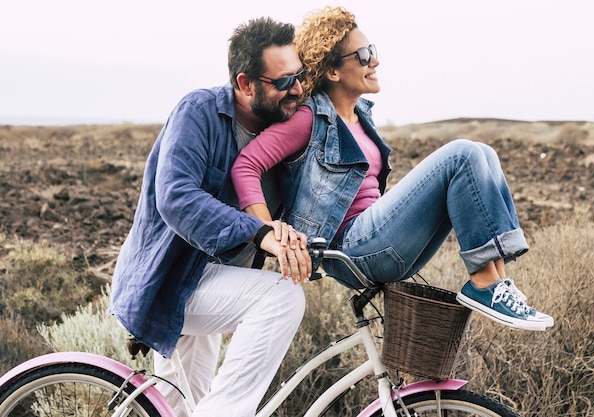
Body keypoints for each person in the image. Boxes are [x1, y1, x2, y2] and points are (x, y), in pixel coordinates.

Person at [231, 6, 553, 332]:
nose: (375, 60)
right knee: (462, 155)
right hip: (350, 250)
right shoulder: (310, 118)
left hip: (375, 243)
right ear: (332, 72)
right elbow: (246, 165)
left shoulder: (362, 117)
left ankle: (495, 280)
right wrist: (267, 231)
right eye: (363, 54)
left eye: (373, 51)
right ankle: (483, 284)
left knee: (484, 153)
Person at [109, 17, 312, 417]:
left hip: (215, 280)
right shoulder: (198, 111)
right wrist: (259, 233)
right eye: (284, 82)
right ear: (245, 83)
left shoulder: (284, 130)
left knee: (187, 409)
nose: (298, 89)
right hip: (171, 280)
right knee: (281, 298)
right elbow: (176, 197)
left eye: (300, 76)